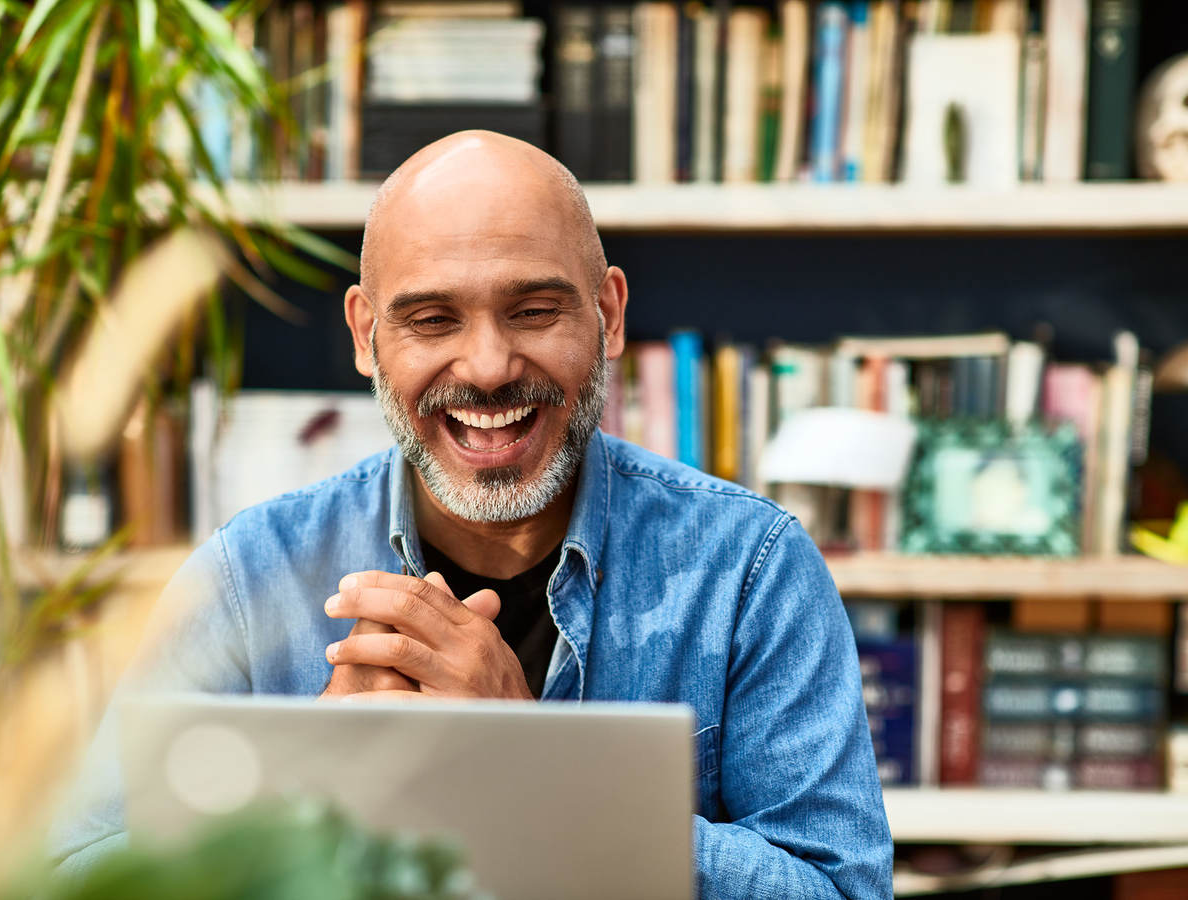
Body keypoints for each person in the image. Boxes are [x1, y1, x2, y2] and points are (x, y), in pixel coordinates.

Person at [52, 131, 893, 898]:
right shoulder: (249, 575)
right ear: (364, 334)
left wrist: (533, 771)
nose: (488, 367)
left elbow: (843, 892)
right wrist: (302, 794)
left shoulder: (751, 569)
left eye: (533, 310)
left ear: (608, 315)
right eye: (431, 320)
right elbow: (73, 876)